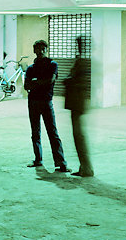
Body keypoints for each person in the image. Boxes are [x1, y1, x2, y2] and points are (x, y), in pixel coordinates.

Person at [23, 39, 68, 172]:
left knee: (52, 132)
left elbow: (51, 80)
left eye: (43, 48)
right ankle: (38, 159)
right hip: (33, 102)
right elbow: (26, 85)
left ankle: (61, 162)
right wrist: (40, 82)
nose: (41, 51)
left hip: (46, 102)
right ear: (34, 50)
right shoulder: (31, 68)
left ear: (46, 50)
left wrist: (35, 82)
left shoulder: (52, 64)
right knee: (35, 132)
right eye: (38, 49)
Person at [64, 36, 93, 177]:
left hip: (77, 102)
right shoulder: (82, 61)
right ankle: (84, 167)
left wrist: (68, 81)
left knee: (78, 136)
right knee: (78, 136)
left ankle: (86, 168)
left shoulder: (84, 62)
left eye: (78, 44)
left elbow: (80, 83)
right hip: (76, 102)